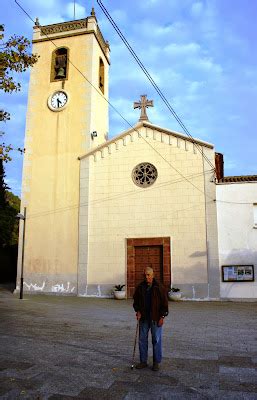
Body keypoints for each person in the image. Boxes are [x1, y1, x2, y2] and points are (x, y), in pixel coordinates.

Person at [133, 266, 169, 371]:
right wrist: (137, 311)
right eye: (145, 275)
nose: (146, 277)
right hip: (144, 318)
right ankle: (143, 361)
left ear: (153, 275)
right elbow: (136, 302)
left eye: (148, 275)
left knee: (156, 340)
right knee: (142, 339)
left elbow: (164, 304)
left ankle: (156, 362)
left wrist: (162, 316)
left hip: (156, 318)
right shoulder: (140, 287)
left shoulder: (159, 287)